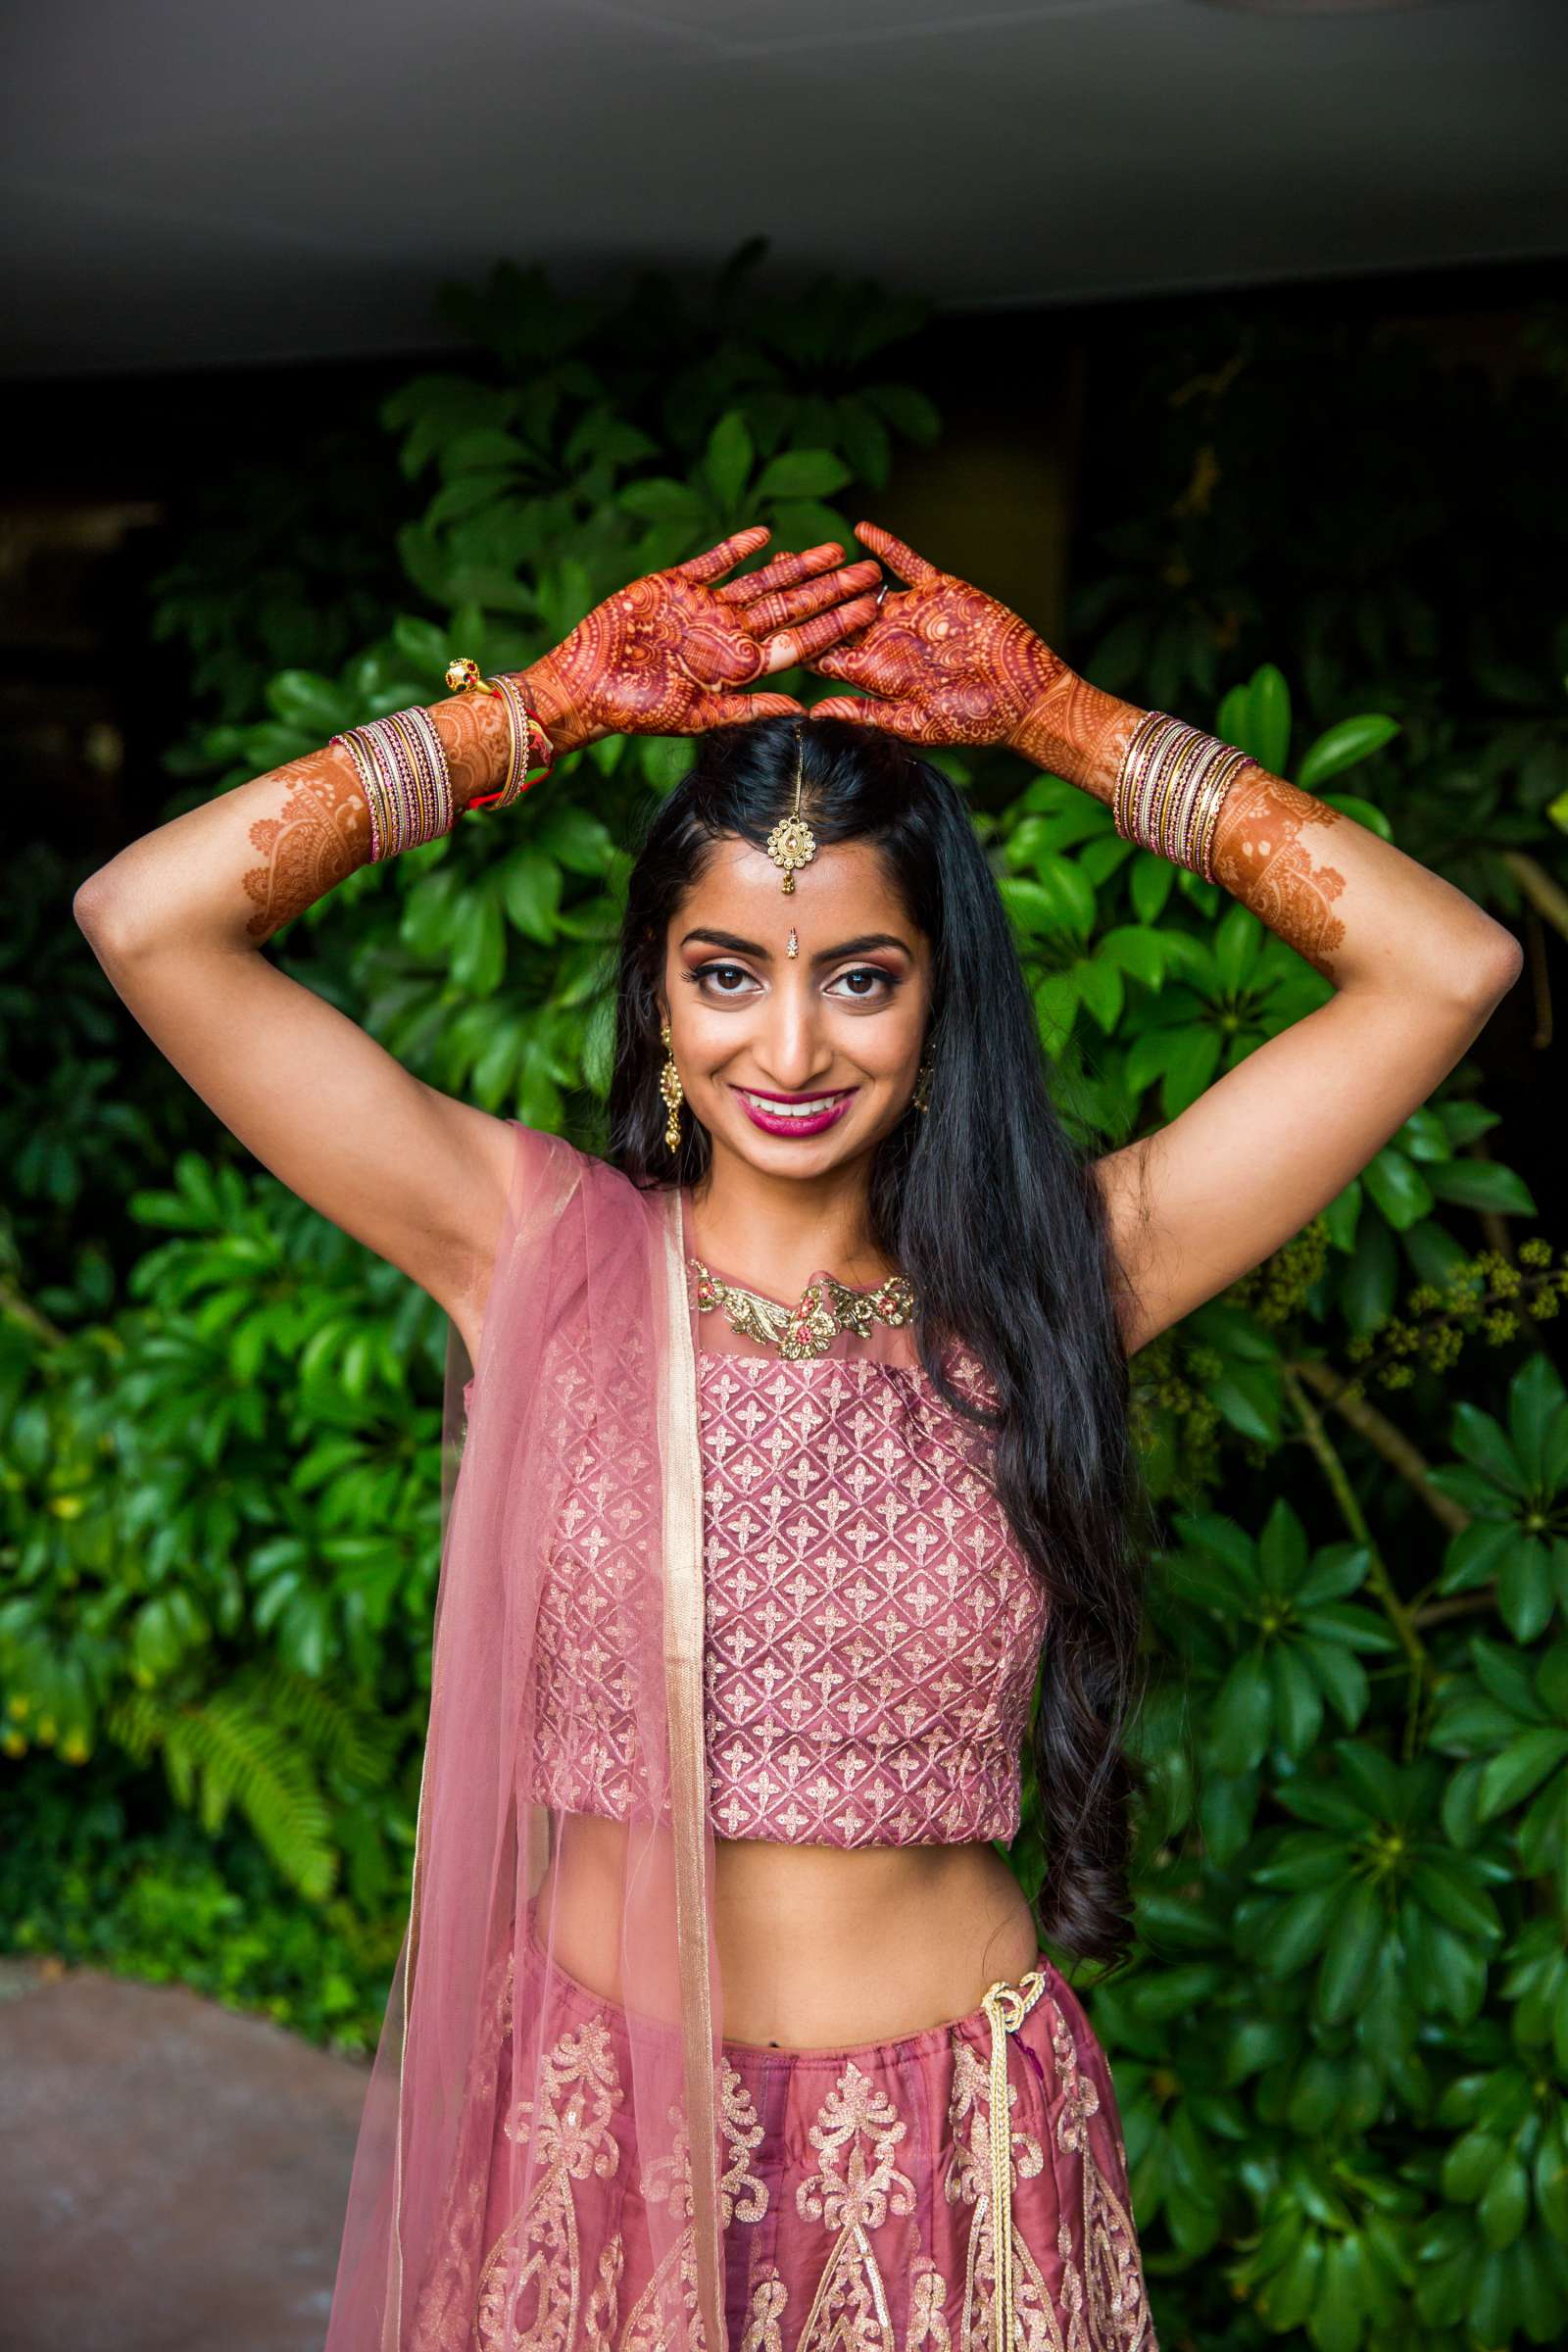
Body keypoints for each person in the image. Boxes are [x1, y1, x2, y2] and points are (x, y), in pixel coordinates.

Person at [74, 519, 1522, 2352]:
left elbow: (1443, 970)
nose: (791, 1048)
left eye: (860, 975)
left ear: (938, 1004)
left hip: (942, 2171)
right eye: (727, 972)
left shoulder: (1053, 1281)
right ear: (662, 999)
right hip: (592, 2144)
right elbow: (147, 922)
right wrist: (538, 712)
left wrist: (1069, 725)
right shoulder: (535, 1250)